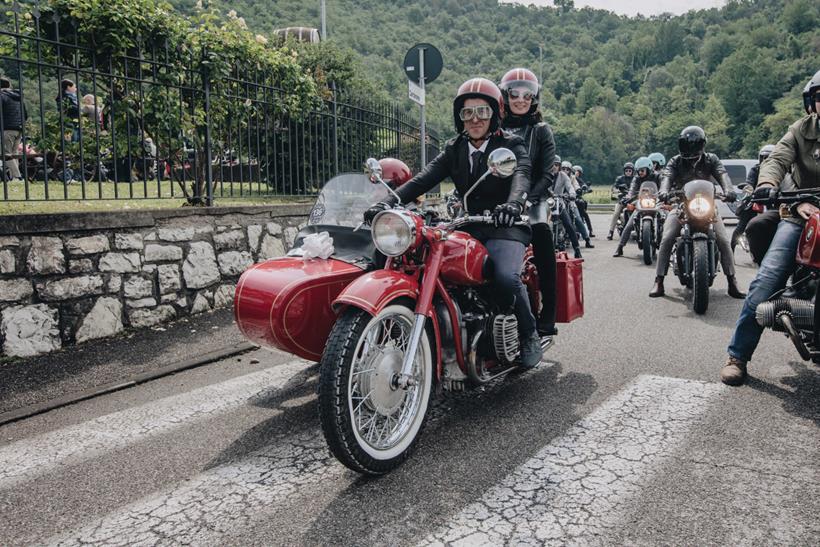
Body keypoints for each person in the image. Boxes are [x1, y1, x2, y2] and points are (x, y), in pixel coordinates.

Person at [363, 77, 543, 369]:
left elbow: (522, 173)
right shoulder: (455, 148)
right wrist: (389, 202)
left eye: (482, 112)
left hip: (505, 224)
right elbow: (424, 178)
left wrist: (514, 204)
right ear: (460, 117)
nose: (474, 119)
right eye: (467, 113)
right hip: (468, 224)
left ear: (494, 114)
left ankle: (529, 333)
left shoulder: (510, 144)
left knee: (506, 277)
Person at [721, 70, 820, 386]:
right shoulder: (800, 130)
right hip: (799, 213)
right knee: (766, 282)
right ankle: (738, 355)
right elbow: (777, 159)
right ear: (811, 104)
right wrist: (767, 183)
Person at [650, 126, 744, 299]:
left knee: (723, 239)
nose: (690, 149)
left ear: (701, 145)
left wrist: (729, 190)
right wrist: (664, 191)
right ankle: (659, 280)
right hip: (681, 206)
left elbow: (723, 175)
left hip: (707, 207)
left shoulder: (711, 160)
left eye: (693, 146)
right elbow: (667, 177)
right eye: (686, 145)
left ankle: (732, 281)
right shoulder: (675, 161)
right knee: (668, 237)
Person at [499, 67, 558, 336]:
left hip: (534, 199)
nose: (520, 99)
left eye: (527, 94)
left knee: (542, 232)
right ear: (505, 95)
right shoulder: (494, 127)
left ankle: (549, 311)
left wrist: (526, 199)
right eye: (514, 93)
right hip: (500, 200)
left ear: (534, 98)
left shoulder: (541, 131)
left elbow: (547, 173)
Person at [730, 144, 774, 253]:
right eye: (763, 157)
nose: (765, 160)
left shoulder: (780, 170)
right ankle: (731, 250)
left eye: (769, 157)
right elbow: (749, 183)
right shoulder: (756, 169)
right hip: (756, 199)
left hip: (774, 200)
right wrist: (748, 191)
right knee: (742, 224)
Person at [612, 156, 659, 257]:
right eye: (638, 171)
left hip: (656, 201)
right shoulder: (637, 178)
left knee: (665, 217)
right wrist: (628, 197)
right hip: (642, 201)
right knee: (629, 224)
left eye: (642, 170)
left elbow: (664, 186)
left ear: (649, 168)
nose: (640, 173)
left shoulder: (657, 176)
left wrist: (664, 194)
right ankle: (620, 247)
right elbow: (632, 189)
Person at [552, 156, 583, 259]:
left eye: (556, 165)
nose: (554, 167)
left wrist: (572, 194)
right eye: (552, 164)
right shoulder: (545, 175)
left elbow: (570, 187)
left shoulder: (563, 176)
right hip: (547, 203)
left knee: (569, 224)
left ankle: (577, 249)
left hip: (559, 203)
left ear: (559, 166)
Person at [0, 76, 27, 183]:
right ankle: (14, 178)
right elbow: (25, 114)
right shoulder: (18, 96)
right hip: (19, 128)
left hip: (7, 128)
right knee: (14, 153)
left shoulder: (2, 96)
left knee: (5, 153)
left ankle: (17, 177)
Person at [562, 160, 594, 248]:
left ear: (570, 170)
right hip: (559, 200)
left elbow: (575, 186)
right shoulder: (558, 176)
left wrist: (577, 190)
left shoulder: (572, 178)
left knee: (578, 218)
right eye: (563, 169)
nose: (565, 171)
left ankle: (587, 239)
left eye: (567, 169)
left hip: (570, 200)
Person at [608, 162, 634, 239]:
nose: (628, 172)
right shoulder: (620, 178)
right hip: (622, 200)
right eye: (626, 171)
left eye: (630, 171)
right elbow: (614, 188)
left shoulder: (635, 179)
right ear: (624, 171)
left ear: (632, 171)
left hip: (633, 200)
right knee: (616, 213)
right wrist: (618, 190)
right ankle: (611, 232)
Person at [572, 164, 595, 237]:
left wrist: (587, 189)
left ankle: (590, 230)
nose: (577, 173)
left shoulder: (580, 180)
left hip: (577, 198)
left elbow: (584, 186)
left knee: (584, 213)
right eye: (575, 172)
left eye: (578, 172)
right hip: (569, 199)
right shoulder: (569, 178)